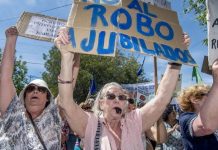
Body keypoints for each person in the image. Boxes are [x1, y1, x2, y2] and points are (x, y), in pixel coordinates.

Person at [55, 27, 188, 150]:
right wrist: (66, 58)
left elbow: (161, 99)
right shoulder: (90, 124)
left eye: (122, 97)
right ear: (101, 103)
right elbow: (65, 102)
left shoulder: (135, 121)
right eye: (111, 96)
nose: (117, 100)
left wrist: (176, 60)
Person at [0, 26, 64, 149]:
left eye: (41, 89)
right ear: (24, 96)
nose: (35, 90)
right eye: (30, 88)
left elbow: (68, 84)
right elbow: (5, 78)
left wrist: (71, 50)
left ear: (47, 97)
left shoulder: (54, 116)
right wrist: (11, 40)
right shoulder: (12, 114)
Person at [178, 61, 218, 150]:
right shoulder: (185, 118)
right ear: (194, 99)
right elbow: (205, 126)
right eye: (209, 94)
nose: (213, 97)